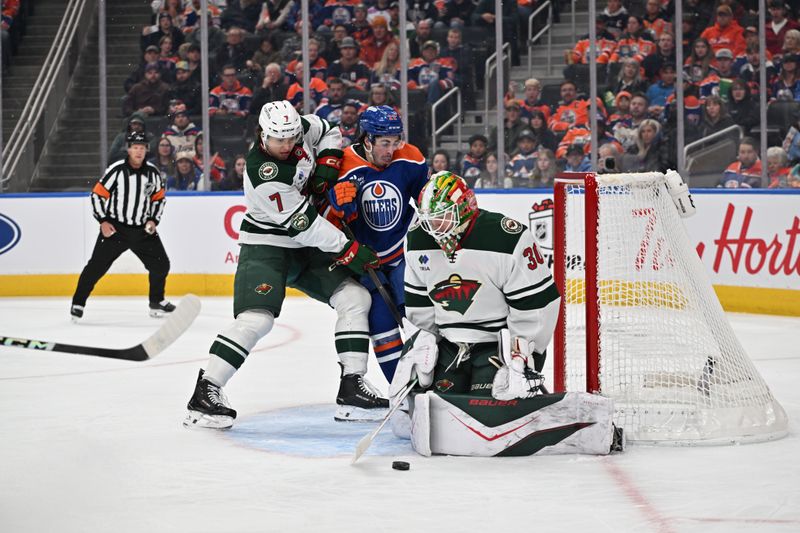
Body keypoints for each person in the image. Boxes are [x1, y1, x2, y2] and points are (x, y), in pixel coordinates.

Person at [184, 100, 386, 429]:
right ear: (263, 135)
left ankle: (352, 387)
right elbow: (304, 224)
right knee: (256, 320)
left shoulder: (299, 128)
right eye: (279, 140)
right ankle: (206, 391)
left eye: (291, 138)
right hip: (268, 246)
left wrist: (328, 162)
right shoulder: (264, 173)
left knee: (355, 298)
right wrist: (348, 248)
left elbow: (330, 130)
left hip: (305, 246)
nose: (287, 145)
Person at [390, 172, 620, 456]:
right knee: (439, 405)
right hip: (451, 344)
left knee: (490, 406)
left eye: (442, 217)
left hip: (497, 342)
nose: (434, 227)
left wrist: (524, 355)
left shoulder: (505, 236)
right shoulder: (417, 240)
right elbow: (419, 305)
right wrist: (423, 344)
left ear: (465, 210)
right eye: (428, 219)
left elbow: (537, 304)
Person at [324, 106, 430, 381]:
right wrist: (337, 209)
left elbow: (428, 205)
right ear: (367, 140)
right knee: (382, 325)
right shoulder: (343, 166)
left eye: (396, 142)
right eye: (385, 143)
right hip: (365, 262)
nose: (391, 150)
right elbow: (324, 225)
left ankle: (438, 378)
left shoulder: (411, 158)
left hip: (401, 252)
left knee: (420, 319)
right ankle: (402, 390)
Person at [71, 132, 174, 320]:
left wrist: (153, 220)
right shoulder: (116, 170)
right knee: (96, 267)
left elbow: (159, 199)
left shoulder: (152, 172)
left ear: (146, 150)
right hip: (116, 230)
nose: (139, 151)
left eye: (142, 148)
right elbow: (97, 195)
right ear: (129, 149)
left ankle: (156, 301)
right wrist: (103, 220)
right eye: (135, 147)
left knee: (161, 264)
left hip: (143, 230)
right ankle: (78, 302)